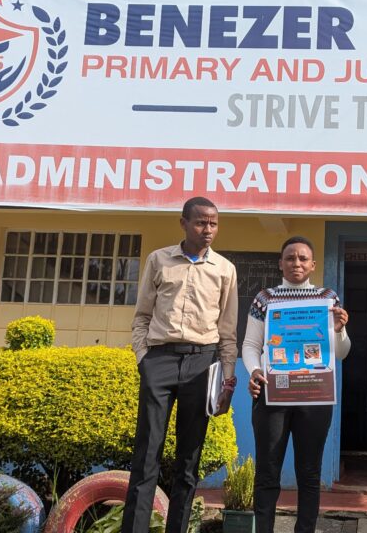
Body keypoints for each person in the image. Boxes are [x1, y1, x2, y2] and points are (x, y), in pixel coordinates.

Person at [123, 196, 239, 533]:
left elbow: (228, 331)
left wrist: (227, 378)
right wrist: (144, 359)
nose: (208, 229)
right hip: (159, 360)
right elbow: (142, 317)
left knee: (188, 461)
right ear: (184, 223)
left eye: (213, 223)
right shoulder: (158, 260)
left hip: (201, 365)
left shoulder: (225, 269)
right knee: (146, 456)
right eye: (201, 222)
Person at [242, 236, 350, 533]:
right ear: (280, 263)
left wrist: (339, 331)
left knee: (309, 474)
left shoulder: (327, 298)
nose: (296, 263)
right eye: (290, 258)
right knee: (267, 473)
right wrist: (254, 370)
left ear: (313, 264)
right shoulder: (264, 298)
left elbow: (340, 353)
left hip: (315, 396)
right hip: (272, 394)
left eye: (303, 258)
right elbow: (250, 345)